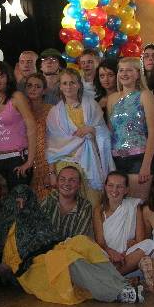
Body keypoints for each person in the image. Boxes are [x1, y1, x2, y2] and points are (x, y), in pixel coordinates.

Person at [0, 185, 141, 305]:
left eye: (25, 202)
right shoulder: (5, 226)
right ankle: (117, 293)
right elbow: (4, 262)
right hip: (31, 268)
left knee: (82, 242)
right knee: (67, 259)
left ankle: (122, 284)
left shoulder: (39, 218)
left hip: (51, 252)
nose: (21, 206)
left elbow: (51, 240)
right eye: (17, 202)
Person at [47, 68, 113, 206]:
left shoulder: (92, 105)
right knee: (67, 206)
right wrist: (52, 173)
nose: (68, 86)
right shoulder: (54, 113)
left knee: (93, 204)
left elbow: (105, 134)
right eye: (65, 83)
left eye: (72, 82)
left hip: (89, 163)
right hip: (64, 165)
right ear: (60, 86)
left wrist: (92, 129)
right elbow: (52, 147)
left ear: (79, 85)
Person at [0, 61, 36, 190]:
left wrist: (29, 161)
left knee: (17, 201)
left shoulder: (17, 97)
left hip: (17, 159)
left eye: (1, 75)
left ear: (9, 77)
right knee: (0, 201)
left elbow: (32, 128)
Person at [107, 56, 154, 199]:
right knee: (118, 203)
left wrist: (146, 165)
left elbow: (153, 132)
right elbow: (110, 131)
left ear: (137, 74)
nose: (124, 74)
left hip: (138, 158)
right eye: (121, 70)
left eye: (129, 70)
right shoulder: (112, 98)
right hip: (115, 158)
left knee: (136, 203)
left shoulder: (145, 95)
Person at [93, 171, 143, 274]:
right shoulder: (99, 210)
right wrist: (110, 252)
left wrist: (128, 251)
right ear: (105, 187)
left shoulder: (134, 205)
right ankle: (117, 274)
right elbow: (100, 242)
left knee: (149, 245)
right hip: (106, 254)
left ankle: (114, 275)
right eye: (110, 185)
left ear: (126, 190)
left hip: (128, 255)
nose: (114, 190)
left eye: (119, 186)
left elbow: (140, 240)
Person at [23, 72, 54, 203]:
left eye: (37, 86)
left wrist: (52, 171)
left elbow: (56, 141)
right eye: (29, 86)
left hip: (46, 162)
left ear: (44, 90)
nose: (33, 89)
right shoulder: (20, 111)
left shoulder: (52, 110)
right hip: (25, 162)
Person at [39, 165, 94, 239]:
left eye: (72, 180)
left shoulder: (85, 206)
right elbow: (35, 228)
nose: (67, 183)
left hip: (72, 246)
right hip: (44, 245)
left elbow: (79, 239)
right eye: (62, 179)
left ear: (79, 185)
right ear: (57, 182)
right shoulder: (49, 200)